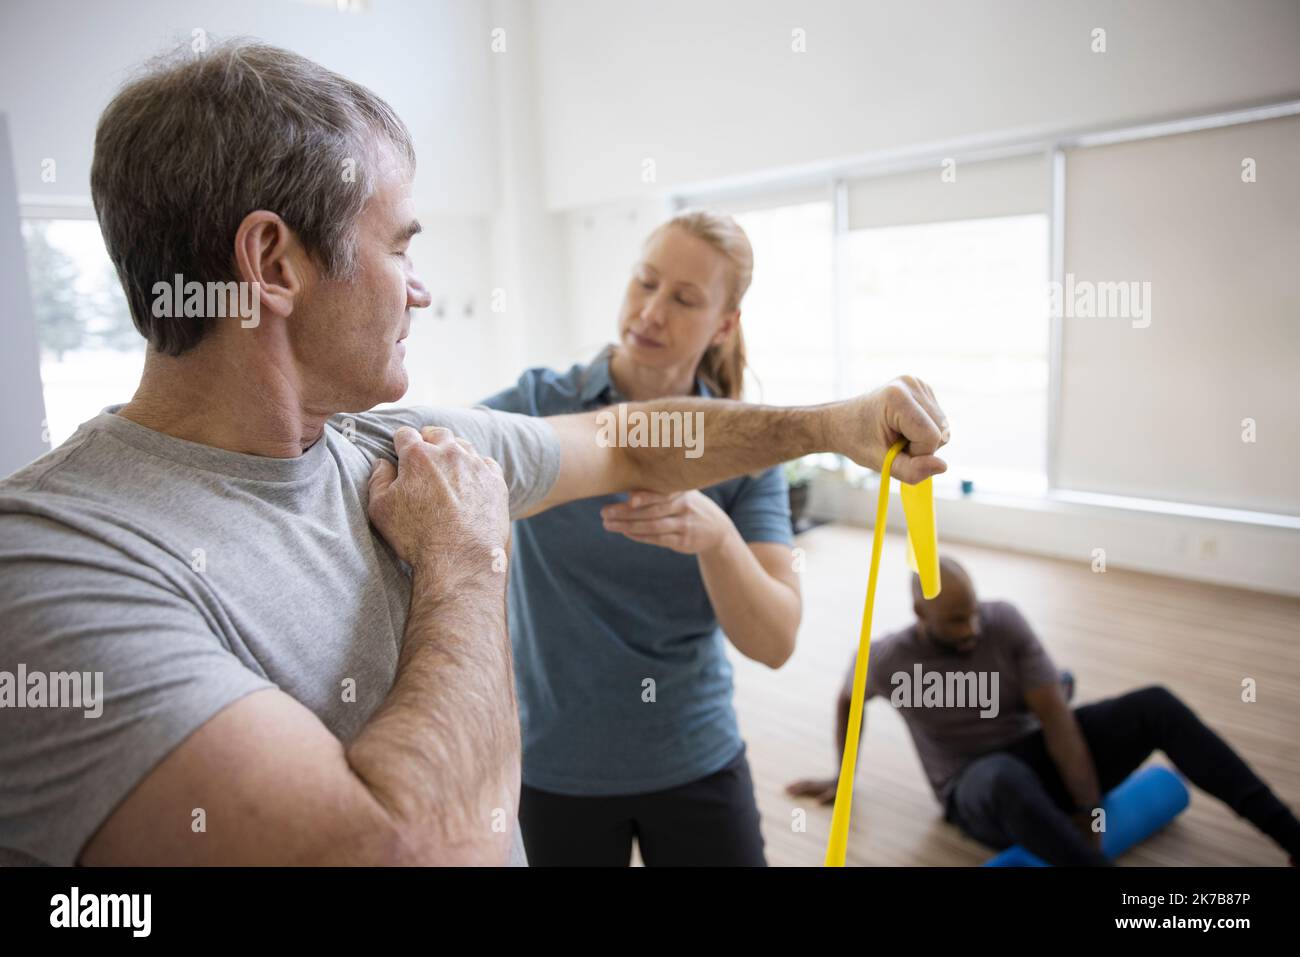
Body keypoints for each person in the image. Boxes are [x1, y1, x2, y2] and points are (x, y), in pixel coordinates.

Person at [0, 41, 950, 866]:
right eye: (401, 248)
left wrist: (836, 424)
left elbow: (629, 438)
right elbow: (409, 850)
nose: (419, 290)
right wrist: (463, 555)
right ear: (275, 265)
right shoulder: (54, 565)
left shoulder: (393, 449)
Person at [480, 211, 797, 866]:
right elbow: (431, 447)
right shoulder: (536, 405)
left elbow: (775, 640)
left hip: (694, 757)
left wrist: (716, 539)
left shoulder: (747, 452)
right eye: (644, 282)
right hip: (554, 766)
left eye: (684, 299)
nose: (651, 312)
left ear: (725, 323)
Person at [787, 557, 1300, 865]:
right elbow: (847, 701)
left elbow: (1056, 720)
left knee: (1154, 705)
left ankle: (1288, 832)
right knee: (1004, 776)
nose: (971, 629)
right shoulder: (887, 659)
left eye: (972, 614)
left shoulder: (1003, 622)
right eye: (955, 622)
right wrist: (843, 775)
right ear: (920, 614)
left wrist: (1085, 808)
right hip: (975, 787)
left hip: (1037, 755)